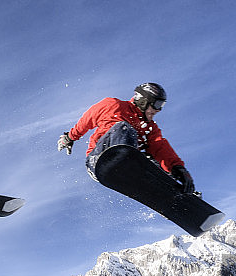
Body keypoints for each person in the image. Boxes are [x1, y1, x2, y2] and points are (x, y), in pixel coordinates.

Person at [57, 82, 195, 193]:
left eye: (162, 105)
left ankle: (175, 197)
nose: (158, 110)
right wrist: (70, 138)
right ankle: (123, 161)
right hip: (99, 159)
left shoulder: (150, 128)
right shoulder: (114, 105)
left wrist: (178, 169)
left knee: (155, 163)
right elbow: (87, 120)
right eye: (157, 104)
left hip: (129, 163)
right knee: (125, 127)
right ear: (143, 101)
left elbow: (160, 147)